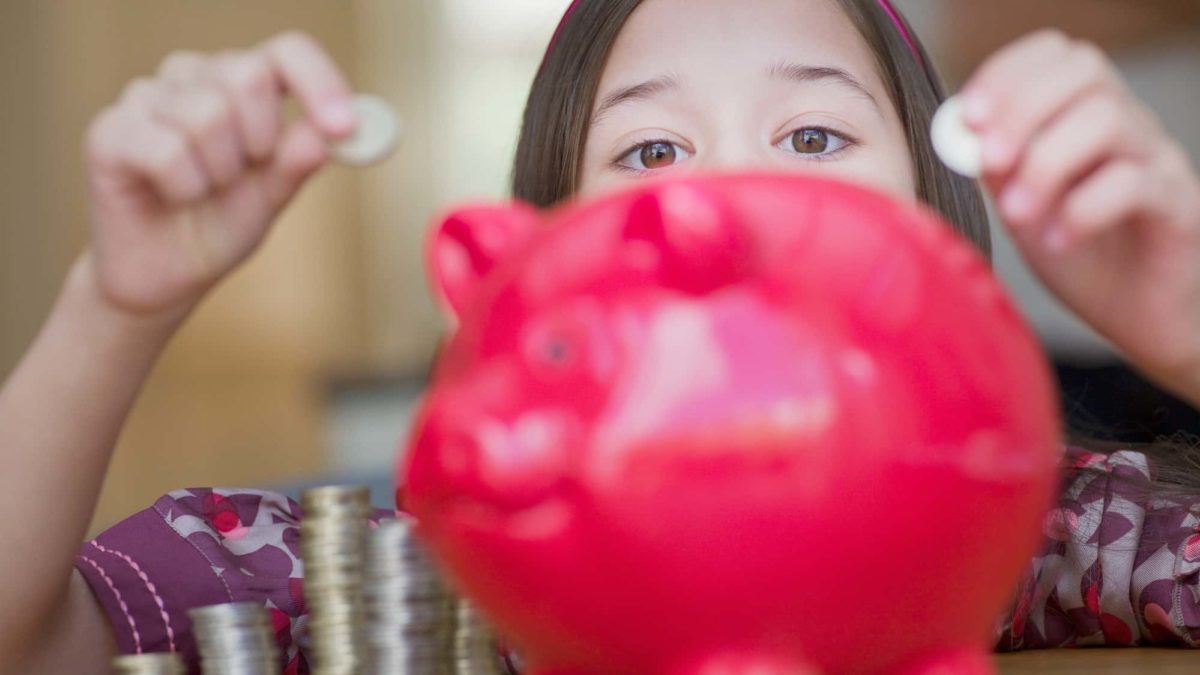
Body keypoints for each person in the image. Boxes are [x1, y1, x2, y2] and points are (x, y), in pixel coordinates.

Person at [3, 0, 1200, 672]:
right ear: (538, 266)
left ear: (937, 229)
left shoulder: (1049, 531)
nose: (724, 195)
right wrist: (119, 305)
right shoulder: (401, 581)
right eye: (652, 152)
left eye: (817, 137)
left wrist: (1187, 319)